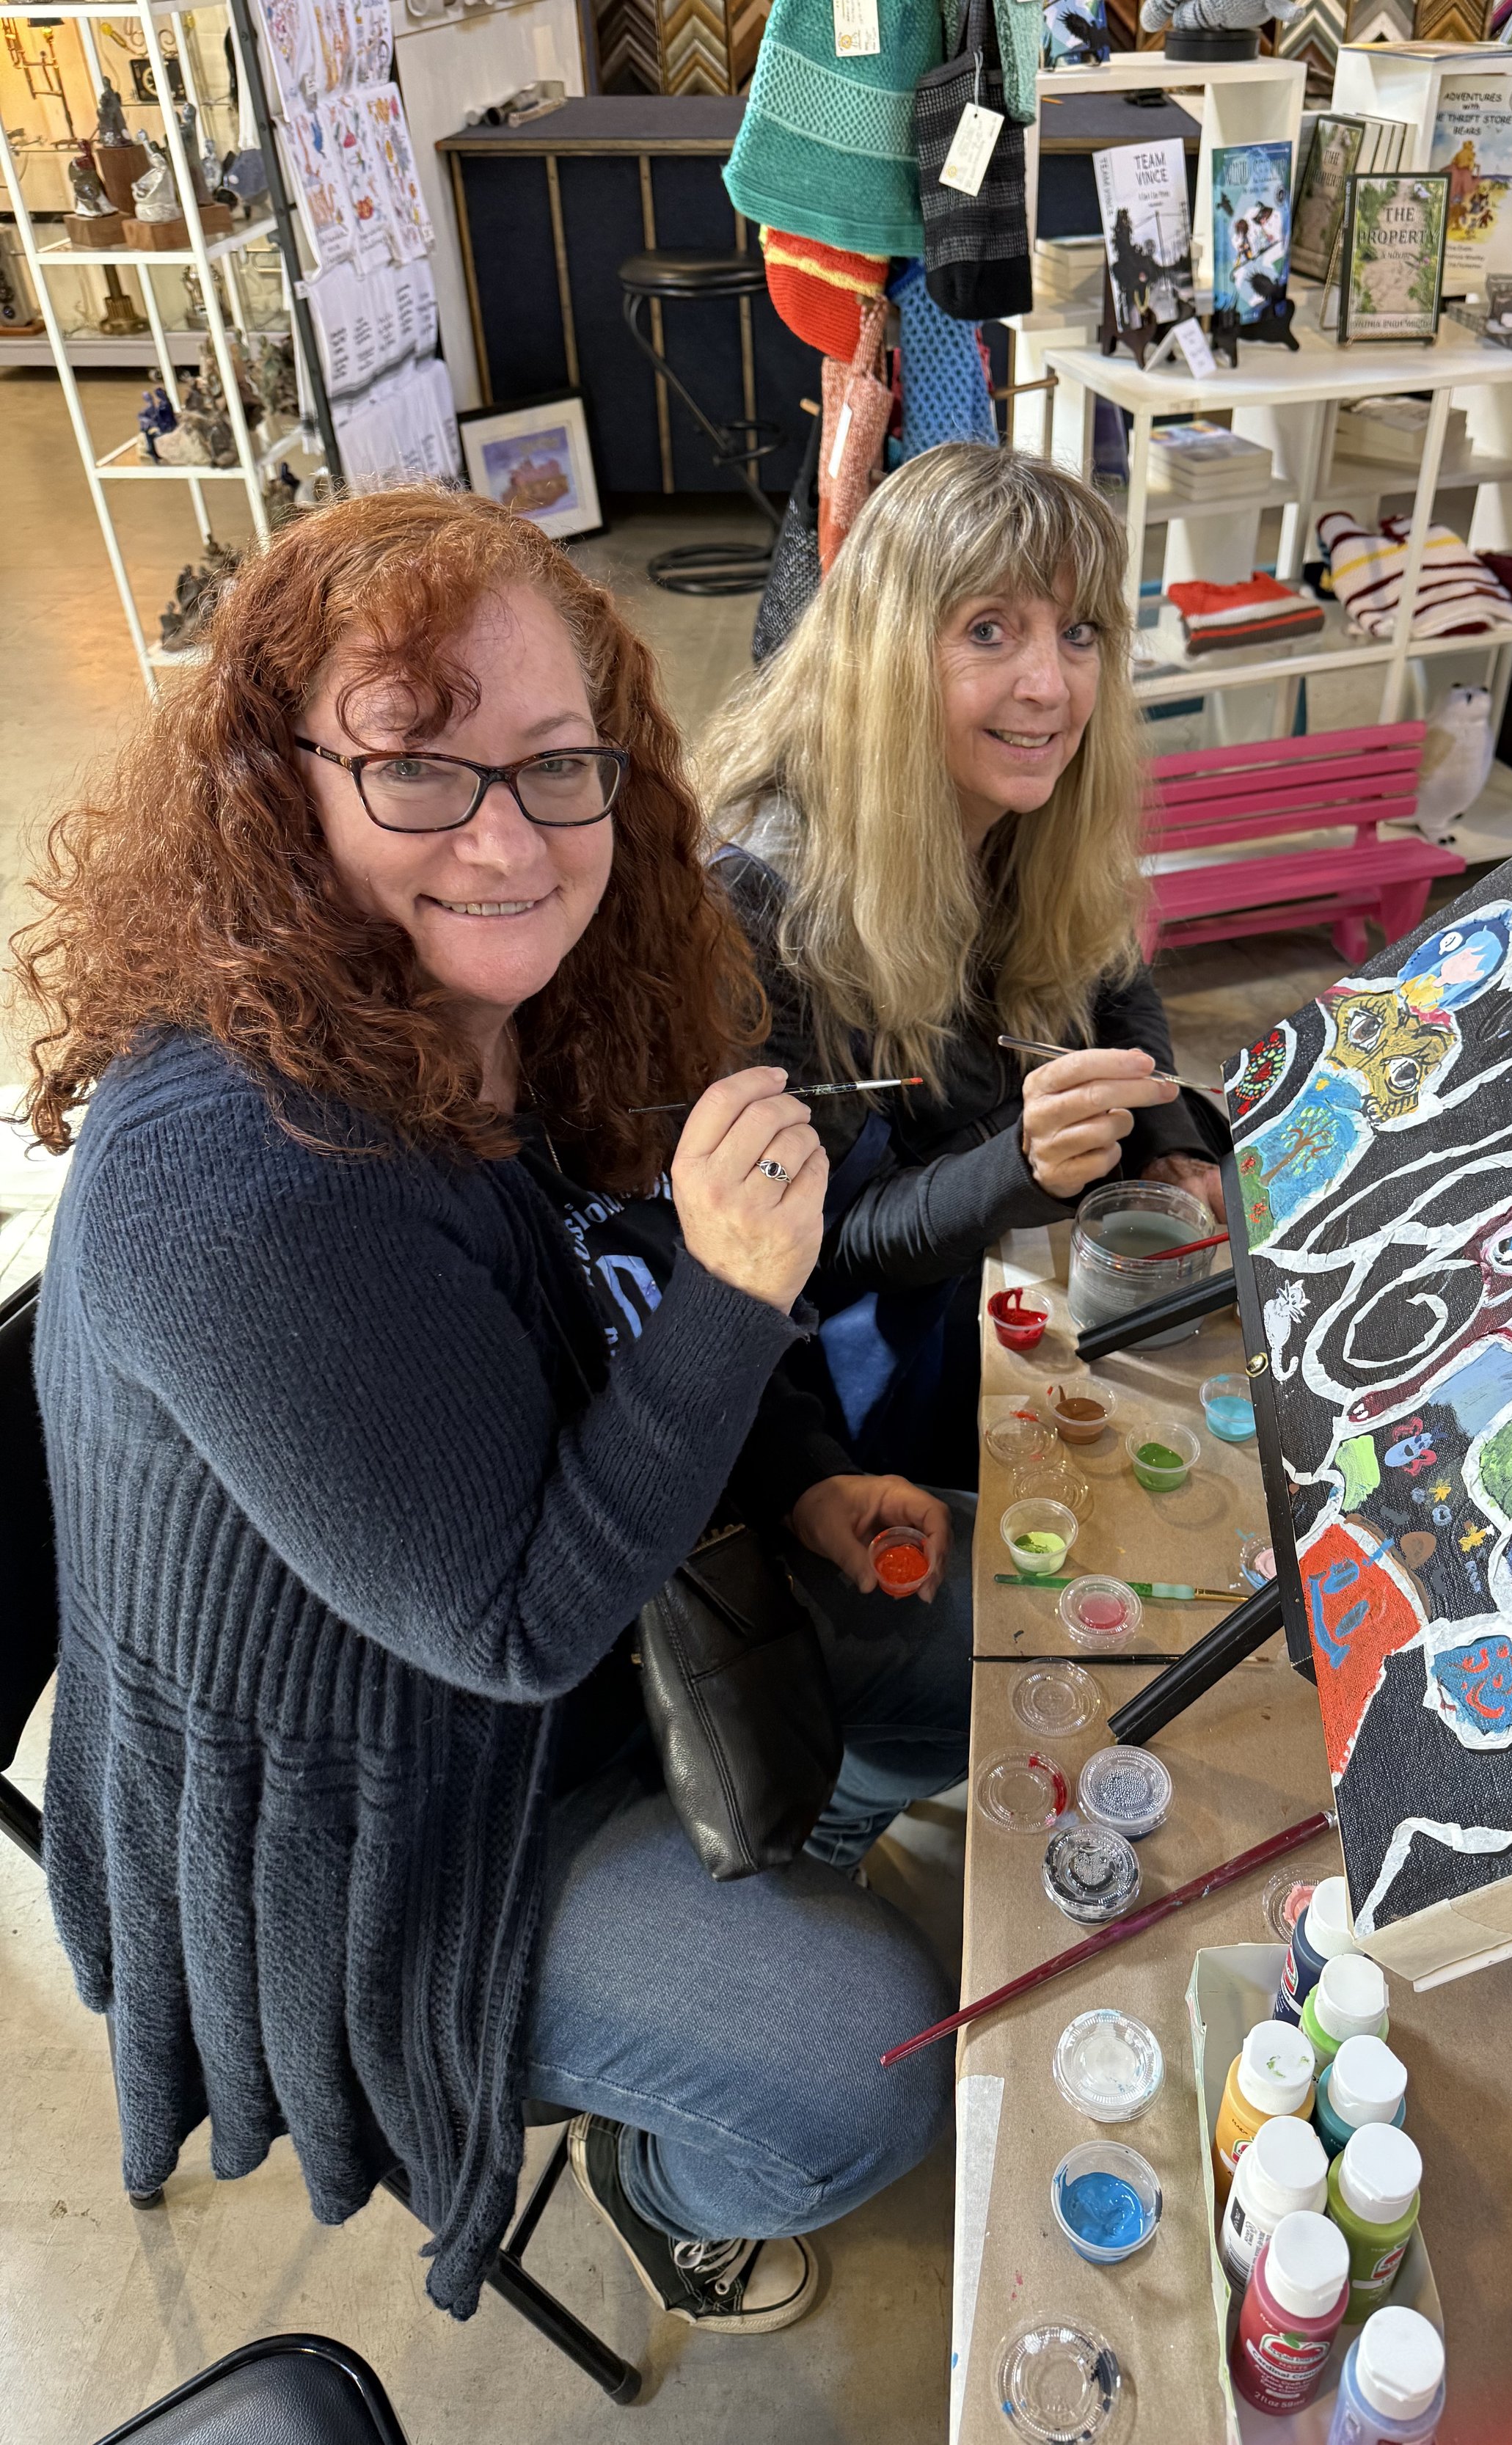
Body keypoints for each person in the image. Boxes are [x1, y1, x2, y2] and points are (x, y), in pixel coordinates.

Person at [16, 489, 969, 2336]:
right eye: (417, 771)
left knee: (967, 1628)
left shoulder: (508, 1014)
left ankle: (773, 1830)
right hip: (379, 1826)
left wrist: (790, 1477)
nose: (510, 838)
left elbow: (617, 1296)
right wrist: (734, 1289)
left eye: (555, 765)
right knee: (867, 2055)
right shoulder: (235, 1179)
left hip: (579, 1653)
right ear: (276, 788)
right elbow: (520, 1619)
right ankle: (668, 2175)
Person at [701, 444, 1223, 1486]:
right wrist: (1015, 1170)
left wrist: (1162, 1129)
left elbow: (1111, 970)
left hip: (986, 1278)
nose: (1050, 685)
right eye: (989, 630)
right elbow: (809, 1254)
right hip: (835, 1393)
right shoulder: (761, 900)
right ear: (888, 651)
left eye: (1078, 634)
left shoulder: (1036, 797)